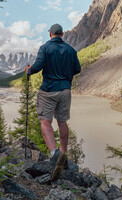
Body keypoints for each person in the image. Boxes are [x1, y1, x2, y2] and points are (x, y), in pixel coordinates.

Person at [25, 23, 81, 181]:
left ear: (50, 34)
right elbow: (77, 69)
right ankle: (63, 153)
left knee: (45, 121)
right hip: (65, 90)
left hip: (49, 90)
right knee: (62, 121)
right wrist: (66, 74)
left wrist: (28, 70)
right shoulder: (71, 50)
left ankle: (54, 154)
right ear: (62, 34)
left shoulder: (45, 48)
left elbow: (37, 66)